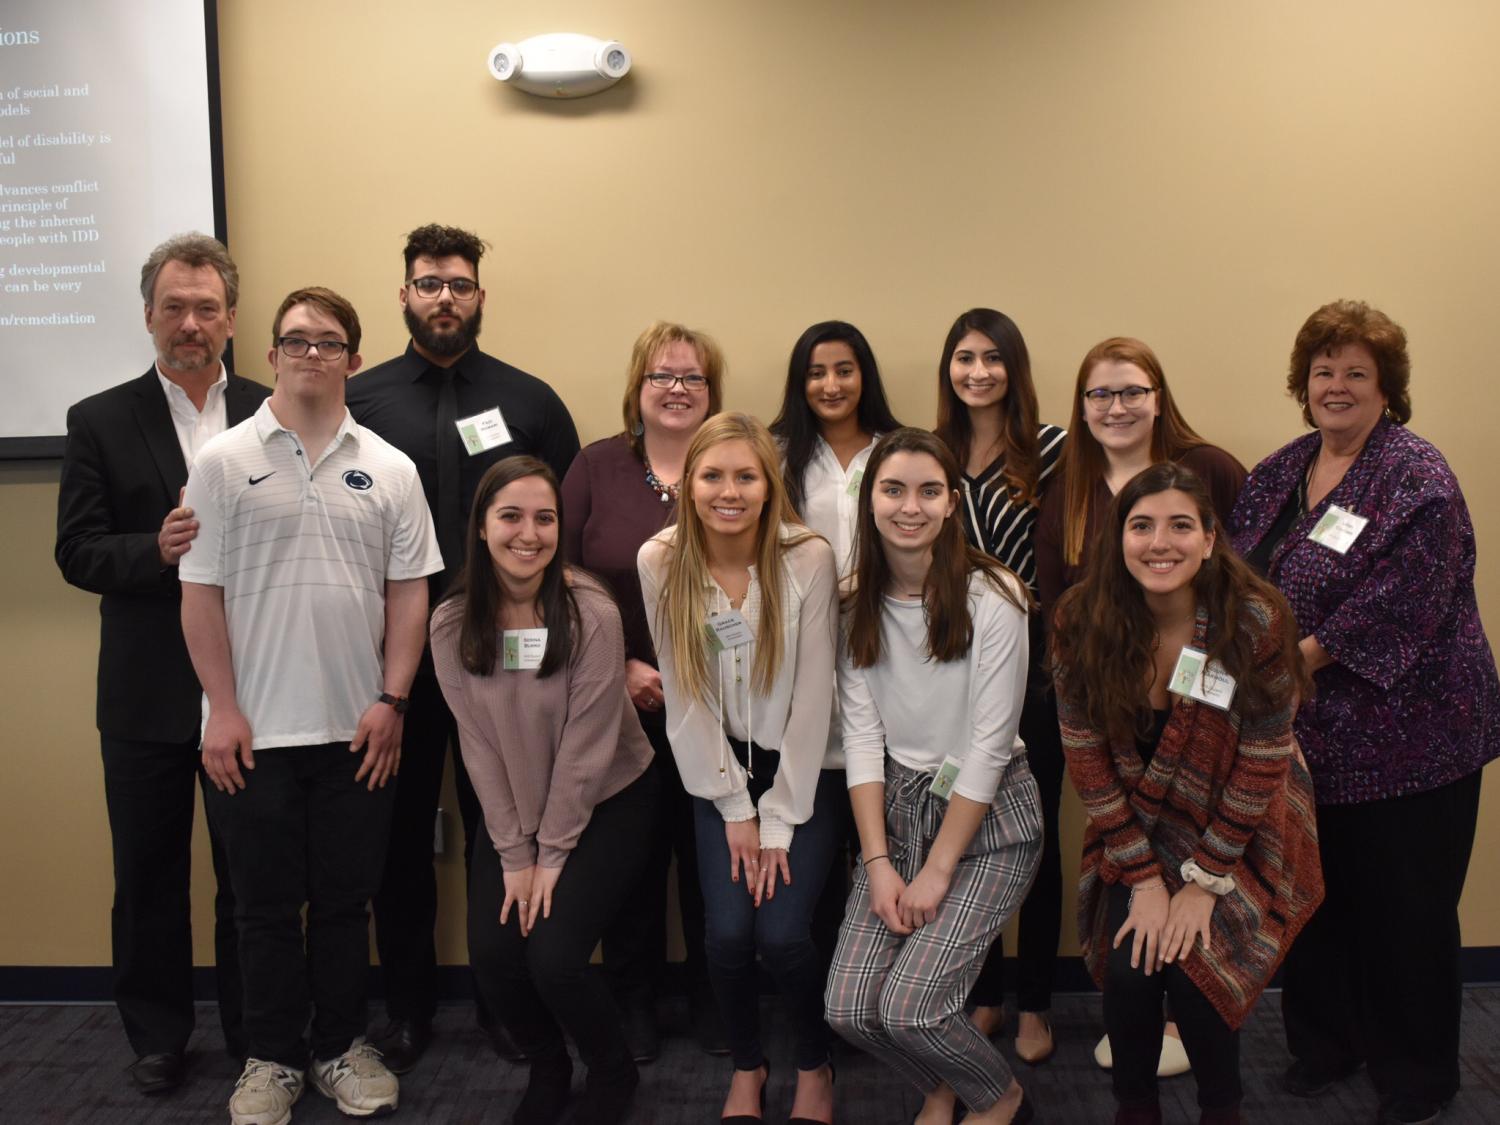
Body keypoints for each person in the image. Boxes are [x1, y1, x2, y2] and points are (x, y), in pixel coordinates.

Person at [1231, 300, 1500, 1125]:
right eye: (1323, 372)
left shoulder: (1416, 475)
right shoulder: (1282, 469)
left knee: (1405, 913)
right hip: (1307, 741)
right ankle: (1326, 1045)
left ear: (1387, 388)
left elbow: (1404, 602)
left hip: (1416, 739)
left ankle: (1418, 1075)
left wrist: (1288, 660)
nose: (1337, 386)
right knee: (1314, 899)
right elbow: (1233, 573)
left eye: (1356, 372)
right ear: (1302, 385)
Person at [180, 287, 442, 1124]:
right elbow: (200, 594)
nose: (311, 354)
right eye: (296, 340)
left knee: (341, 901)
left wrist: (392, 700)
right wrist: (221, 709)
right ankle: (270, 1060)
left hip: (357, 729)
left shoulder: (392, 468)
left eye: (329, 342)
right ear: (272, 351)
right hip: (249, 732)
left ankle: (339, 1046)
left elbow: (411, 596)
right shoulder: (222, 461)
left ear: (353, 361)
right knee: (259, 907)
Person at [346, 223, 580, 1071]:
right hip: (394, 660)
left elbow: (565, 528)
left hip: (504, 657)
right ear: (403, 294)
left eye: (459, 284)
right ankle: (406, 1010)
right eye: (428, 283)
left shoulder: (531, 401)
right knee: (398, 837)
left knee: (504, 829)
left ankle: (506, 1003)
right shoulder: (358, 400)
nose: (444, 296)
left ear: (481, 296)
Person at [54, 232, 267, 1095]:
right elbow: (76, 552)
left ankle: (258, 1032)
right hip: (143, 694)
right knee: (148, 875)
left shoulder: (271, 409)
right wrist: (157, 549)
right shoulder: (97, 417)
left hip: (251, 686)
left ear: (231, 317)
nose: (190, 323)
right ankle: (158, 1036)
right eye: (174, 306)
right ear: (148, 314)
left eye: (206, 307)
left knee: (249, 875)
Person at [1053, 462, 1323, 1125]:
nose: (1160, 542)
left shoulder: (1254, 618)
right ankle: (1135, 1109)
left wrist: (1205, 880)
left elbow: (1265, 754)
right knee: (1130, 969)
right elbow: (1087, 760)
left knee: (1200, 972)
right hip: (1136, 827)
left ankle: (1221, 1110)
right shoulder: (1080, 620)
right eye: (1141, 526)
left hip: (1244, 825)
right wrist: (1145, 880)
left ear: (1208, 538)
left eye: (1181, 525)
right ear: (1120, 538)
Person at [1035, 335, 1246, 1075]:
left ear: (1159, 396)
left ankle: (1189, 1026)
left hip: (1212, 717)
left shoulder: (1210, 468)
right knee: (1136, 871)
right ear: (1081, 407)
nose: (1117, 406)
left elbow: (1245, 587)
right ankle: (1146, 1019)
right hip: (1120, 715)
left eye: (1132, 390)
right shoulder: (1069, 484)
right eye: (1101, 394)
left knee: (1204, 881)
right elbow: (1061, 602)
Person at [432, 456, 658, 1125]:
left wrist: (549, 856)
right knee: (496, 957)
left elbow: (588, 752)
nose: (527, 533)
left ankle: (612, 1071)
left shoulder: (590, 610)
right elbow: (475, 742)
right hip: (513, 808)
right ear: (481, 526)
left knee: (555, 958)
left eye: (544, 517)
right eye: (510, 515)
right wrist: (513, 853)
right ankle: (548, 1063)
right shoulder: (450, 622)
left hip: (610, 798)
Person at [825, 428, 1042, 1125]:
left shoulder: (994, 595)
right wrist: (879, 862)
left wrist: (938, 869)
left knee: (913, 1005)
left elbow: (985, 747)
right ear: (871, 499)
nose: (909, 506)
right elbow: (861, 738)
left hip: (992, 817)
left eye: (928, 490)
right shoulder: (854, 599)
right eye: (893, 489)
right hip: (900, 809)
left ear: (953, 502)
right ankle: (946, 1080)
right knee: (851, 1008)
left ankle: (999, 1095)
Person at [639, 412, 840, 1125]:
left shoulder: (807, 556)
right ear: (687, 482)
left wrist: (779, 818)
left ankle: (815, 1065)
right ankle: (749, 1067)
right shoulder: (660, 559)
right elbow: (683, 695)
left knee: (783, 935)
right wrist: (734, 807)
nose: (729, 490)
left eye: (745, 476)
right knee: (725, 936)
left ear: (768, 484)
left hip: (802, 771)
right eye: (713, 474)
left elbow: (815, 697)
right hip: (715, 773)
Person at [559, 320, 728, 1060]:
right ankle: (633, 998)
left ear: (713, 393)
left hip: (719, 704)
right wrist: (621, 664)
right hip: (615, 701)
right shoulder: (597, 466)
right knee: (628, 859)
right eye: (663, 375)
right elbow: (557, 575)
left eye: (693, 377)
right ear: (638, 387)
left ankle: (713, 995)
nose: (678, 389)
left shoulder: (733, 468)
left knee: (708, 856)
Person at [933, 308, 1066, 1060]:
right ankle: (982, 993)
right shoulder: (932, 451)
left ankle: (1037, 1001)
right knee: (966, 832)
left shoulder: (1052, 452)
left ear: (1013, 368)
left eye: (992, 358)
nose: (977, 371)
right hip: (951, 673)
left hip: (1038, 678)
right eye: (964, 357)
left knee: (1033, 833)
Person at [769, 319, 904, 1000]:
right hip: (806, 661)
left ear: (864, 376)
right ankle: (826, 991)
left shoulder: (896, 449)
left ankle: (889, 987)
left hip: (891, 652)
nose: (830, 384)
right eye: (816, 372)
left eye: (844, 369)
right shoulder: (777, 454)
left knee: (890, 830)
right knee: (819, 834)